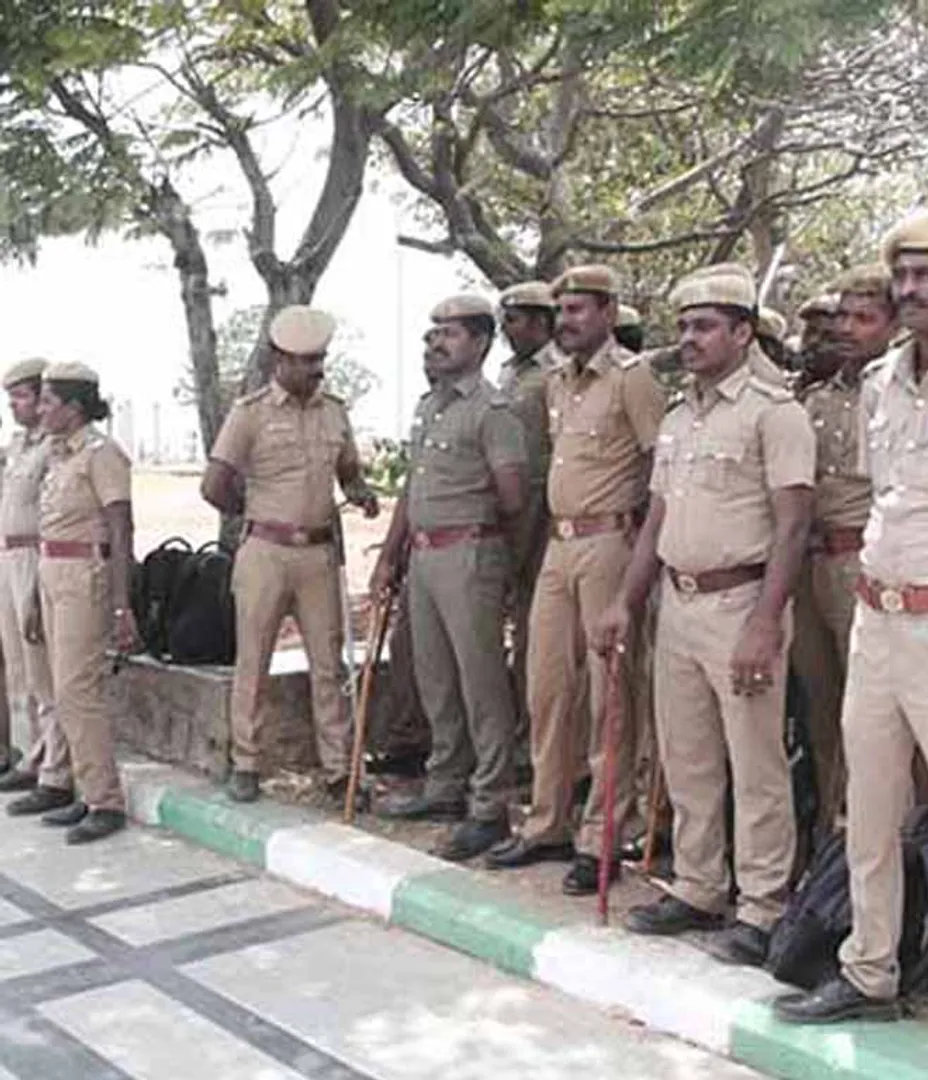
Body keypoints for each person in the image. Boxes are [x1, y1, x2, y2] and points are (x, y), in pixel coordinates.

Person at [593, 264, 815, 964]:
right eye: (683, 326)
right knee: (686, 757)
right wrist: (625, 600)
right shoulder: (681, 415)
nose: (688, 338)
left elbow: (793, 527)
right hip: (678, 607)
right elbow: (657, 518)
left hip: (740, 603)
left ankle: (763, 905)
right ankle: (697, 886)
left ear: (743, 332)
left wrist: (762, 621)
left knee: (756, 765)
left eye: (704, 326)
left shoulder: (774, 412)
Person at [776, 211, 928, 1024]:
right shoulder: (880, 383)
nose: (910, 291)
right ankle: (869, 970)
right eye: (902, 276)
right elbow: (888, 500)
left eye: (924, 276)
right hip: (877, 616)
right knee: (867, 808)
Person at [486, 264, 666, 895]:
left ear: (609, 313)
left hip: (610, 542)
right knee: (547, 688)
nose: (566, 323)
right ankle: (547, 823)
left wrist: (637, 541)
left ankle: (604, 835)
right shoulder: (558, 383)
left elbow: (657, 466)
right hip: (560, 547)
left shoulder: (633, 378)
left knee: (610, 696)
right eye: (560, 312)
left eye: (578, 311)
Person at [201, 305, 379, 804]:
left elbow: (348, 471)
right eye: (304, 361)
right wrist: (255, 513)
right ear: (279, 359)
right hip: (265, 552)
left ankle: (340, 769)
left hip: (319, 554)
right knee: (253, 660)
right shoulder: (250, 412)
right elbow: (214, 484)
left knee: (329, 664)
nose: (315, 369)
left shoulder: (335, 411)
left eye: (320, 359)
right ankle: (246, 763)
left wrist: (360, 492)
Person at [372, 294, 527, 861]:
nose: (434, 343)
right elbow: (412, 490)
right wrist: (390, 556)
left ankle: (490, 804)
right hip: (424, 556)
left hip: (469, 553)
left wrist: (490, 550)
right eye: (431, 334)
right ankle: (444, 785)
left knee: (480, 681)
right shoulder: (428, 406)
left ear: (481, 343)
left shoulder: (493, 410)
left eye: (449, 335)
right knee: (434, 678)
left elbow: (513, 497)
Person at [798, 265, 897, 829]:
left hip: (864, 559)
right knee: (822, 708)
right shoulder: (817, 400)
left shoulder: (896, 392)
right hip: (813, 561)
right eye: (842, 316)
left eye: (863, 318)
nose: (845, 329)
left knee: (876, 719)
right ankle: (833, 839)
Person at [25, 361, 136, 844]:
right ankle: (83, 790)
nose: (42, 410)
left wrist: (121, 604)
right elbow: (48, 530)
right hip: (51, 572)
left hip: (83, 577)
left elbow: (120, 527)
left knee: (77, 690)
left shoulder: (101, 454)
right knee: (55, 685)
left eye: (49, 401)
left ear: (74, 408)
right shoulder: (57, 453)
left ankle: (105, 801)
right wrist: (32, 593)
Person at [0, 358, 72, 812]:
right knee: (19, 668)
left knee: (43, 668)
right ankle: (32, 755)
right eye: (12, 398)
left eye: (24, 396)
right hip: (8, 556)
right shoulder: (18, 447)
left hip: (36, 555)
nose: (15, 405)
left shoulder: (53, 449)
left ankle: (56, 770)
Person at [496, 281, 561, 743]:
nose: (506, 329)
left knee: (540, 634)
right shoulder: (508, 373)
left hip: (545, 510)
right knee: (520, 623)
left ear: (541, 322)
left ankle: (535, 738)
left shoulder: (556, 373)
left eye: (515, 320)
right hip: (509, 511)